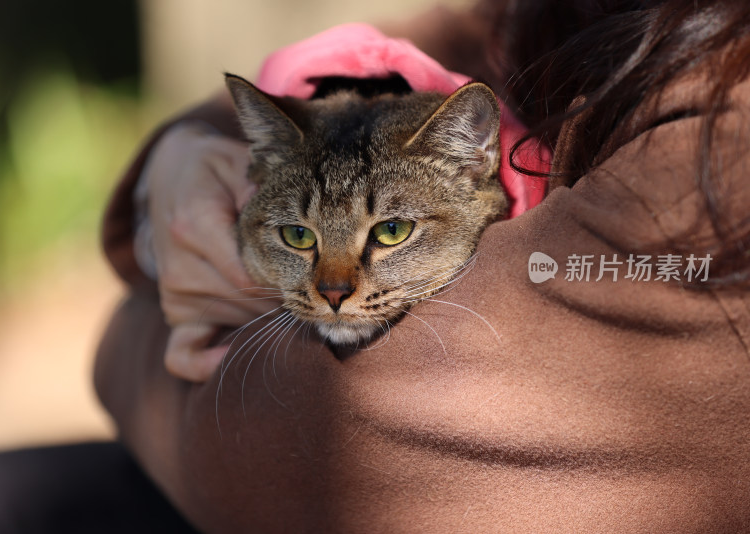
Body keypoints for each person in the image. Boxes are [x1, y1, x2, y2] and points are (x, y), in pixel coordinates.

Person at [96, 0, 750, 531]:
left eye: (390, 231)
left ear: (474, 165)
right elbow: (465, 29)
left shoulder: (722, 155)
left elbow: (318, 452)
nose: (334, 286)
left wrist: (163, 303)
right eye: (301, 237)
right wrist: (180, 164)